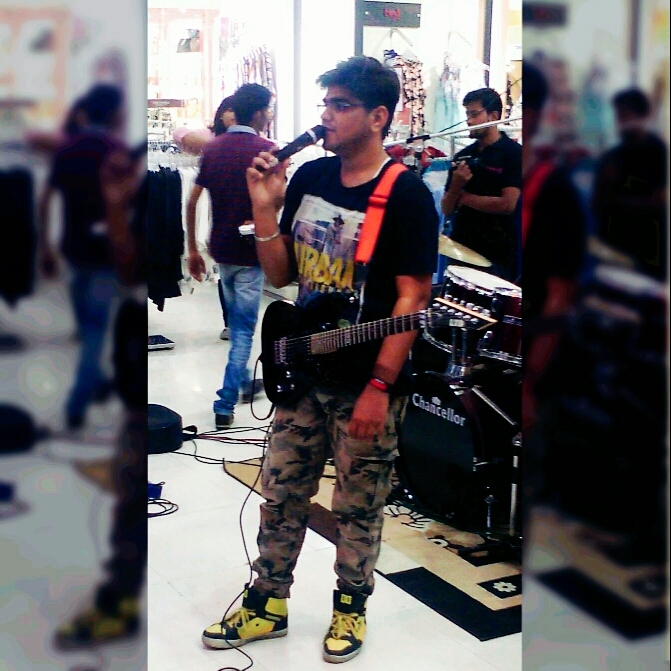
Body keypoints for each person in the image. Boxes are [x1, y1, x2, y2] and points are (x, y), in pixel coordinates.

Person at [201, 56, 438, 663]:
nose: (326, 116)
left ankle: (350, 608)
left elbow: (412, 298)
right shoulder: (310, 177)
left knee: (358, 505)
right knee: (281, 493)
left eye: (340, 105)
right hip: (303, 370)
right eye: (325, 104)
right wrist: (263, 206)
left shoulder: (406, 194)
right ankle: (267, 603)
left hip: (367, 380)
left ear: (377, 117)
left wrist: (380, 386)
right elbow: (283, 274)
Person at [55, 131, 148, 651]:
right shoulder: (123, 199)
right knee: (126, 483)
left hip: (131, 361)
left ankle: (119, 600)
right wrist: (114, 208)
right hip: (127, 361)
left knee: (129, 484)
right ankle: (118, 598)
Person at [37, 84, 127, 429]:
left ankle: (96, 381)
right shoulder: (116, 150)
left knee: (88, 325)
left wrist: (45, 247)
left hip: (73, 249)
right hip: (106, 254)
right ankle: (78, 401)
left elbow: (45, 200)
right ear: (115, 114)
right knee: (96, 328)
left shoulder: (67, 149)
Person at [186, 84, 273, 429]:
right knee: (244, 331)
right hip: (251, 252)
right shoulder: (266, 150)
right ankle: (225, 402)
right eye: (268, 109)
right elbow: (275, 202)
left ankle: (242, 381)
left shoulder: (214, 148)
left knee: (237, 326)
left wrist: (192, 248)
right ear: (259, 113)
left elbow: (192, 200)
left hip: (221, 249)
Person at [441, 87, 522, 281]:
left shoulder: (513, 154)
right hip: (461, 249)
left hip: (497, 253)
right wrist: (456, 186)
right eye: (467, 114)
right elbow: (446, 208)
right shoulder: (463, 156)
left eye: (475, 114)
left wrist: (464, 197)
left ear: (493, 116)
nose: (469, 121)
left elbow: (507, 204)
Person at [175, 95, 238, 340]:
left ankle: (239, 326)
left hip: (242, 216)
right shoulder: (212, 138)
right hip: (218, 216)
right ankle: (231, 323)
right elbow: (180, 133)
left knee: (241, 275)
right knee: (226, 273)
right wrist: (217, 146)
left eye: (237, 110)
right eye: (229, 110)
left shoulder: (253, 142)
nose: (233, 115)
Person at [591, 87, 667, 280]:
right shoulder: (613, 156)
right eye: (618, 115)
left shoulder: (658, 152)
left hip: (648, 251)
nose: (621, 121)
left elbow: (659, 201)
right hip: (614, 249)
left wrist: (616, 201)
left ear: (642, 115)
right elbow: (597, 203)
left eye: (625, 114)